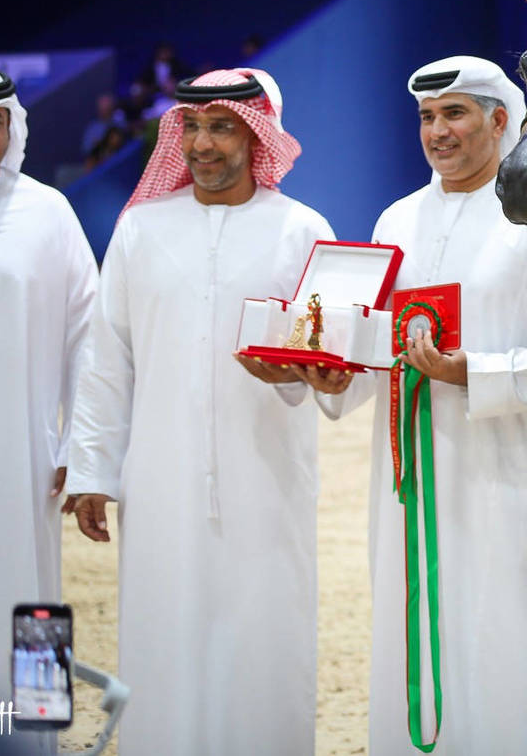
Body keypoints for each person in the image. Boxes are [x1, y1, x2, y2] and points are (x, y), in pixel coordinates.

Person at [317, 57, 527, 755]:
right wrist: (332, 376)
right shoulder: (396, 220)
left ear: (500, 120)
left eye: (454, 113)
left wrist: (474, 372)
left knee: (511, 649)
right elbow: (378, 343)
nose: (437, 131)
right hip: (413, 483)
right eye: (426, 117)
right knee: (413, 634)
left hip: (513, 477)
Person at [65, 68, 339, 755]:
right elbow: (107, 358)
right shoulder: (141, 229)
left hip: (269, 480)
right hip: (160, 485)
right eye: (190, 127)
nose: (201, 144)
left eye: (221, 127)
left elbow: (336, 362)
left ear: (258, 137)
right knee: (164, 636)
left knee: (266, 638)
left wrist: (309, 375)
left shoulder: (302, 230)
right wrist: (93, 469)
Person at [0, 68, 96, 753]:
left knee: (31, 595)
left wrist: (78, 446)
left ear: (12, 128)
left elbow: (89, 335)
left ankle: (34, 737)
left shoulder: (48, 213)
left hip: (25, 461)